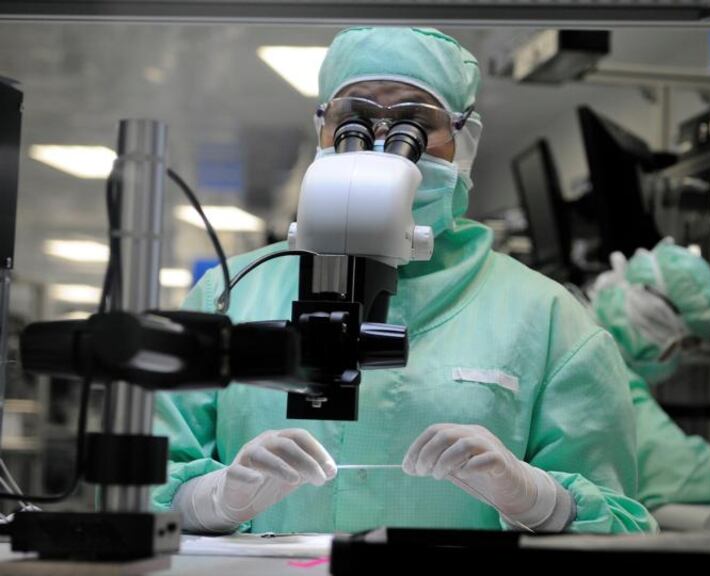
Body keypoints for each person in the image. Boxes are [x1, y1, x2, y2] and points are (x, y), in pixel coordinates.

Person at [152, 27, 657, 536]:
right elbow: (141, 495)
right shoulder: (231, 293)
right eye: (353, 120)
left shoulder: (545, 315)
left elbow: (622, 530)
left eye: (414, 123)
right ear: (323, 131)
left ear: (463, 141)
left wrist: (539, 501)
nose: (378, 144)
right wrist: (212, 501)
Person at [589, 239, 710, 509]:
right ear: (656, 317)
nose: (680, 357)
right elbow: (685, 471)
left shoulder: (583, 332)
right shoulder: (599, 371)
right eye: (686, 344)